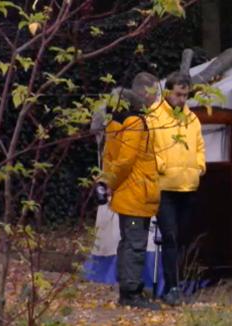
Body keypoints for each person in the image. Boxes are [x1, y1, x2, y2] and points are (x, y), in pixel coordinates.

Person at [98, 72, 161, 310]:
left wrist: (106, 183)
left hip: (126, 194)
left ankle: (128, 288)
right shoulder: (134, 123)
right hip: (137, 193)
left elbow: (110, 159)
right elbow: (126, 161)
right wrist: (109, 183)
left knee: (127, 242)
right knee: (134, 244)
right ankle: (131, 293)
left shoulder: (114, 125)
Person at [148, 72, 206, 306]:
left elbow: (200, 146)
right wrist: (161, 166)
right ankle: (171, 287)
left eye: (186, 95)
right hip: (165, 187)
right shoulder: (154, 117)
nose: (182, 99)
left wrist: (199, 166)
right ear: (168, 91)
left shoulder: (192, 119)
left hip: (188, 186)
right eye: (178, 94)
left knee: (181, 238)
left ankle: (178, 283)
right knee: (170, 237)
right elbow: (148, 147)